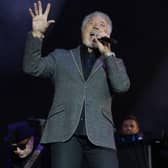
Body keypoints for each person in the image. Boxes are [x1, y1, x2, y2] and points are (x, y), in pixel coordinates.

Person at [23, 1, 130, 168]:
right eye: (91, 23)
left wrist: (108, 54)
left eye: (101, 25)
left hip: (100, 133)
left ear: (108, 33)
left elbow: (121, 87)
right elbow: (32, 67)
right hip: (64, 132)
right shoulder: (61, 57)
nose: (96, 27)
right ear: (82, 30)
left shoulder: (114, 63)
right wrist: (37, 34)